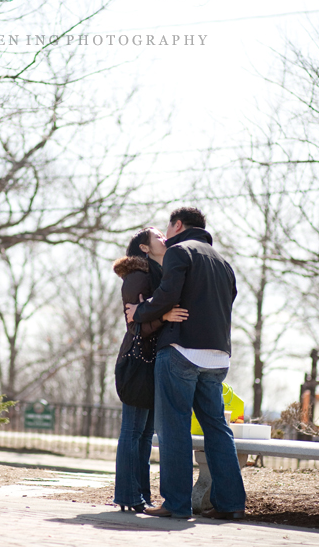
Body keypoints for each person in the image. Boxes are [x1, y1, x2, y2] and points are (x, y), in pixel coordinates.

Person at [125, 207, 246, 520]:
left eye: (168, 226)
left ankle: (176, 504)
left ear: (178, 225)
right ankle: (231, 503)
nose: (166, 233)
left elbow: (167, 295)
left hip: (181, 350)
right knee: (218, 429)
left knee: (173, 428)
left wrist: (138, 313)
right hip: (218, 356)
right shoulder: (224, 263)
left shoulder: (180, 252)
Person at [112, 227, 188, 512]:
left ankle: (140, 496)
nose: (164, 239)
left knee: (145, 435)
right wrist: (164, 315)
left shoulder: (159, 274)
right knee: (133, 431)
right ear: (144, 248)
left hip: (155, 361)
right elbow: (135, 325)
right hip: (137, 362)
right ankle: (128, 496)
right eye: (157, 237)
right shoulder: (137, 276)